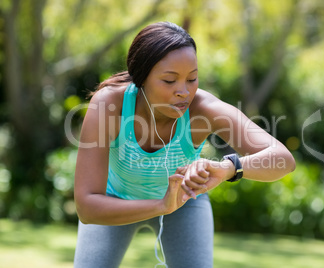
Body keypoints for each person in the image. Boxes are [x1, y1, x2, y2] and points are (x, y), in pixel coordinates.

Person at [73, 21, 295, 268]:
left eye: (192, 78)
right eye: (169, 81)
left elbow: (282, 159)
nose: (184, 92)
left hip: (184, 203)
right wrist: (160, 205)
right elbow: (86, 205)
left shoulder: (204, 109)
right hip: (114, 201)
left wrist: (228, 168)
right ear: (141, 78)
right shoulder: (109, 105)